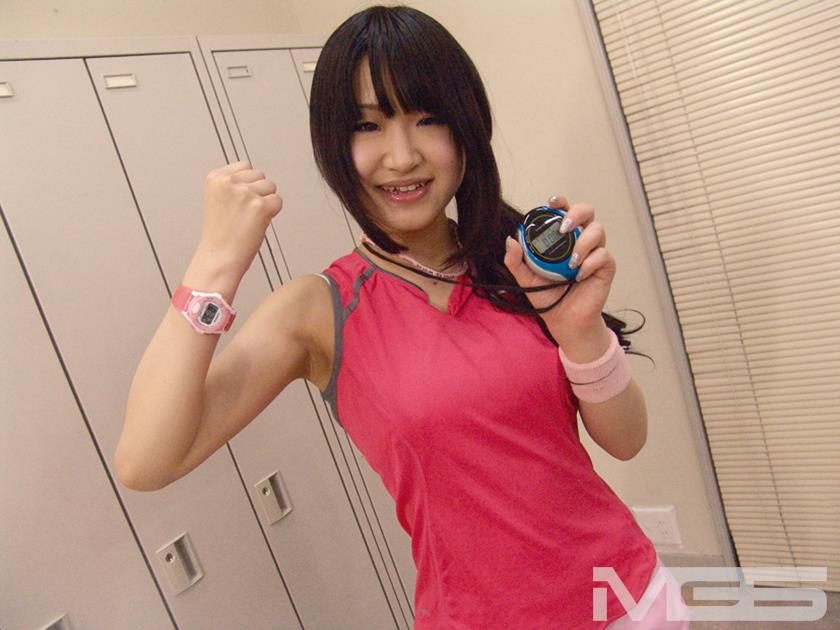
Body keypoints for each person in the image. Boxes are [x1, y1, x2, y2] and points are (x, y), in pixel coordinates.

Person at [116, 5, 690, 628]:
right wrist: (216, 262)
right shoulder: (319, 310)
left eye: (428, 119)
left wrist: (580, 330)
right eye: (368, 125)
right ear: (334, 145)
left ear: (466, 129)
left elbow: (626, 440)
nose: (401, 156)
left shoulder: (518, 260)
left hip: (632, 600)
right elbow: (146, 461)